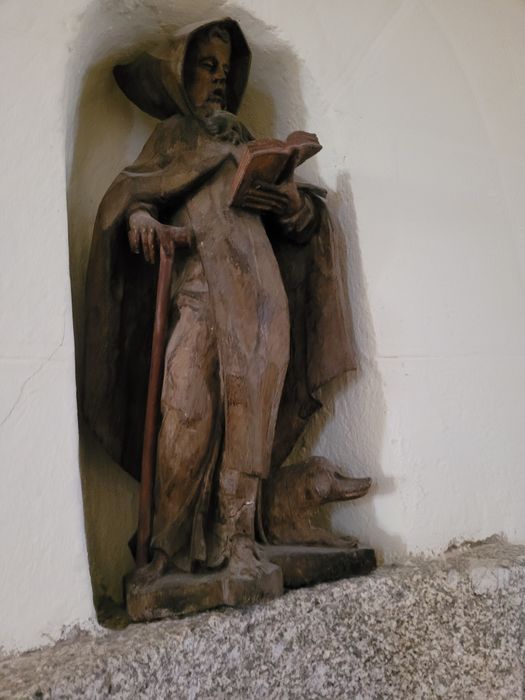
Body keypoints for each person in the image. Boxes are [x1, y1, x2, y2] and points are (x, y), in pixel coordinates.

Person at [83, 18, 356, 590]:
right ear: (181, 73)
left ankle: (238, 540)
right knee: (185, 409)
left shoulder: (246, 142)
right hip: (200, 295)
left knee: (251, 414)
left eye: (226, 71)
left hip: (260, 299)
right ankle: (168, 546)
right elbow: (133, 193)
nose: (218, 80)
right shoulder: (175, 138)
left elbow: (303, 225)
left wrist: (294, 207)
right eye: (207, 66)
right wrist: (140, 220)